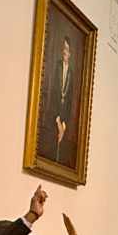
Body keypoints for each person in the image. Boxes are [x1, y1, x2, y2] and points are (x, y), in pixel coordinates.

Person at [37, 37, 77, 166]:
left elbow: (69, 99)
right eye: (63, 48)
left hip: (64, 117)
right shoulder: (57, 66)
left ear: (70, 53)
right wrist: (58, 120)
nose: (64, 51)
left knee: (61, 149)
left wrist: (64, 124)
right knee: (51, 145)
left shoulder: (71, 73)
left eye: (67, 49)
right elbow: (54, 92)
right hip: (54, 114)